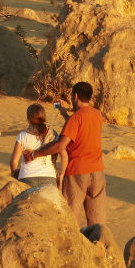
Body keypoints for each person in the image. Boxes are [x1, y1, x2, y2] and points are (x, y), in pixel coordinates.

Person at [25, 80, 106, 231]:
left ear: (75, 96)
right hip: (98, 172)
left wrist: (36, 153)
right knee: (97, 223)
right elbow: (81, 128)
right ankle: (99, 249)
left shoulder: (75, 118)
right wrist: (64, 113)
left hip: (77, 173)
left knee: (71, 220)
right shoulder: (97, 115)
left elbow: (60, 145)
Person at [8, 103, 59, 188]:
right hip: (48, 176)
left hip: (27, 177)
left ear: (28, 119)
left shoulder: (22, 136)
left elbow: (14, 161)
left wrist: (14, 172)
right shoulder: (52, 134)